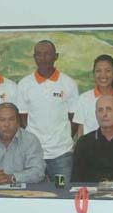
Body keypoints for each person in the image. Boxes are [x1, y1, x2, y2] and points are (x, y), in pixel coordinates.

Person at [17, 40, 79, 181]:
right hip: (33, 155)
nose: (43, 58)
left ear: (56, 56)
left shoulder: (69, 83)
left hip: (62, 155)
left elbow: (74, 118)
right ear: (34, 57)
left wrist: (61, 138)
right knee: (32, 192)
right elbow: (22, 119)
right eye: (39, 54)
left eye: (47, 54)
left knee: (62, 190)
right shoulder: (24, 84)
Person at [73, 55, 113, 138]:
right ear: (94, 73)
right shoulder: (83, 99)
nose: (103, 75)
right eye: (98, 71)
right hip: (91, 146)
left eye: (108, 71)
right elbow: (80, 132)